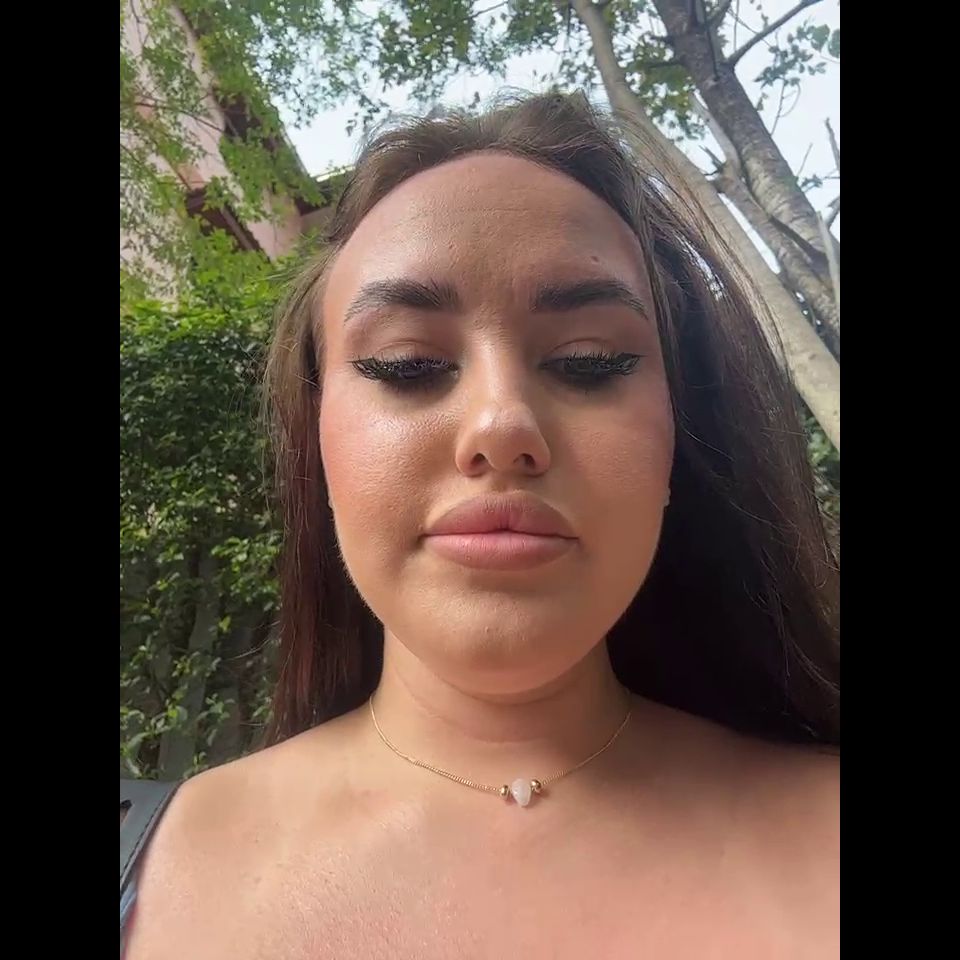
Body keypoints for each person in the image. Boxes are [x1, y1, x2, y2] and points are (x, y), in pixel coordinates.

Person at [123, 91, 839, 959]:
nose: (502, 424)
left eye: (589, 362)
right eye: (407, 364)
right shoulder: (143, 864)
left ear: (674, 441)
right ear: (319, 447)